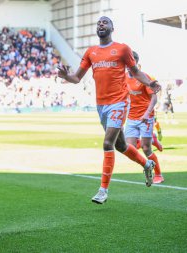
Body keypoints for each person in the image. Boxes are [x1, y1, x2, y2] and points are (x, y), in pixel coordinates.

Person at [57, 16, 161, 204]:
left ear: (112, 27)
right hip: (101, 105)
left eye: (105, 22)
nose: (101, 24)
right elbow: (77, 78)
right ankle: (147, 163)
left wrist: (150, 83)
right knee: (120, 145)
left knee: (107, 144)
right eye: (98, 23)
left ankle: (103, 190)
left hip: (119, 102)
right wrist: (66, 75)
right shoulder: (91, 52)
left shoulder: (122, 49)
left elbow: (136, 72)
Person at [125, 51, 164, 184]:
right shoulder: (123, 77)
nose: (128, 65)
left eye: (131, 62)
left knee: (146, 149)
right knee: (129, 148)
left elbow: (154, 98)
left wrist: (147, 113)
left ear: (135, 63)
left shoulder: (144, 77)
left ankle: (158, 174)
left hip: (146, 117)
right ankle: (151, 140)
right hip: (131, 117)